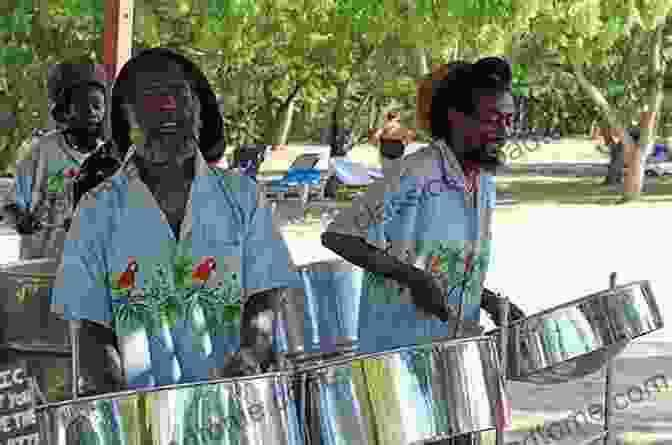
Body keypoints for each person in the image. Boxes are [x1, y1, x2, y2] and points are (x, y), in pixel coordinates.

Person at [51, 48, 300, 391]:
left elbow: (265, 295)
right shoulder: (96, 212)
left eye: (178, 95)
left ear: (198, 112)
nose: (167, 107)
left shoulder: (243, 197)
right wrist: (123, 408)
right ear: (127, 116)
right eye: (150, 97)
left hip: (237, 408)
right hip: (146, 416)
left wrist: (253, 352)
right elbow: (90, 329)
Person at [321, 57, 526, 444]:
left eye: (509, 120)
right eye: (492, 120)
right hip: (400, 360)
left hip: (455, 352)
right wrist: (412, 279)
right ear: (456, 118)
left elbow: (447, 266)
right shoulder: (416, 174)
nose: (505, 131)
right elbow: (340, 235)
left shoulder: (482, 180)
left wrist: (486, 299)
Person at [2, 59, 109, 260]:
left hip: (88, 271)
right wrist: (21, 220)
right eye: (84, 107)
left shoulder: (109, 161)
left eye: (97, 106)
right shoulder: (42, 152)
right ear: (64, 111)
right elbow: (11, 206)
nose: (93, 113)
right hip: (42, 268)